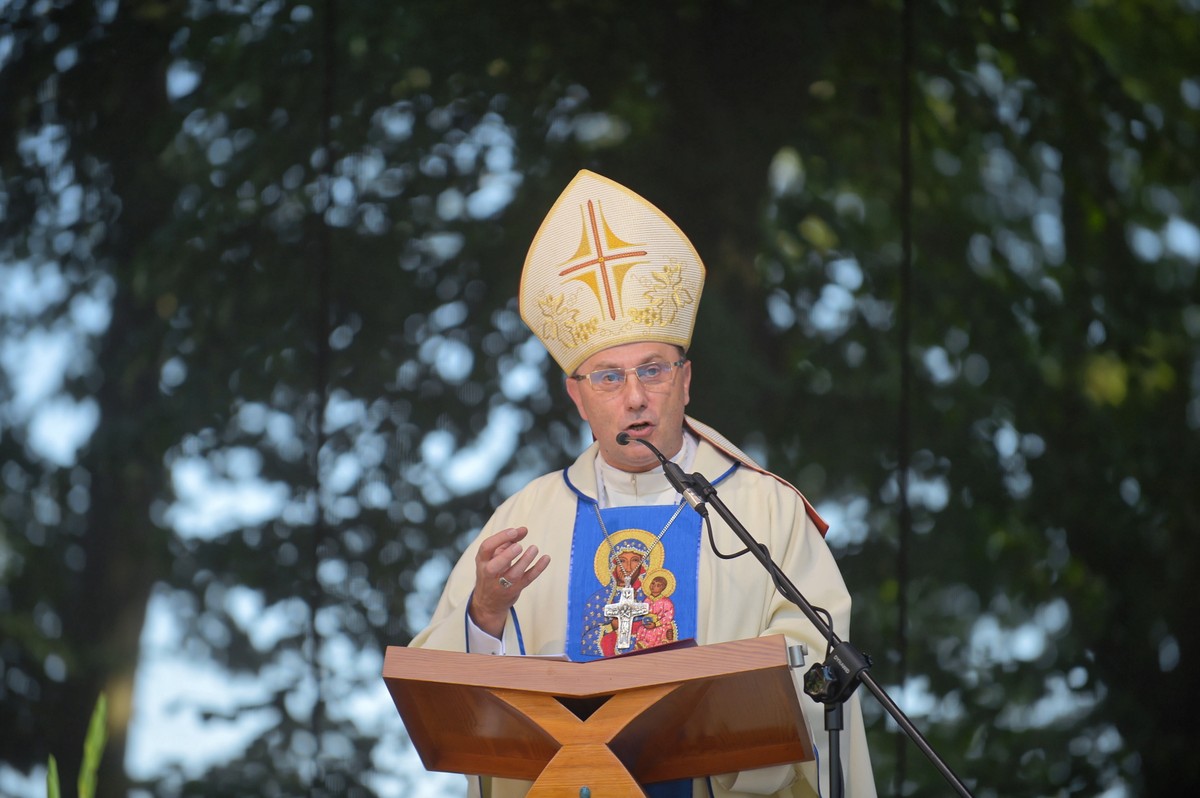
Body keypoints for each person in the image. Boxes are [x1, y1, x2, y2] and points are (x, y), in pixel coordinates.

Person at [409, 170, 876, 798]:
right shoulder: (525, 520)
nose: (634, 397)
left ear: (686, 380)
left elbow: (818, 680)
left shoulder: (762, 511)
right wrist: (486, 614)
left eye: (653, 370)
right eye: (607, 378)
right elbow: (448, 701)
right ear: (577, 397)